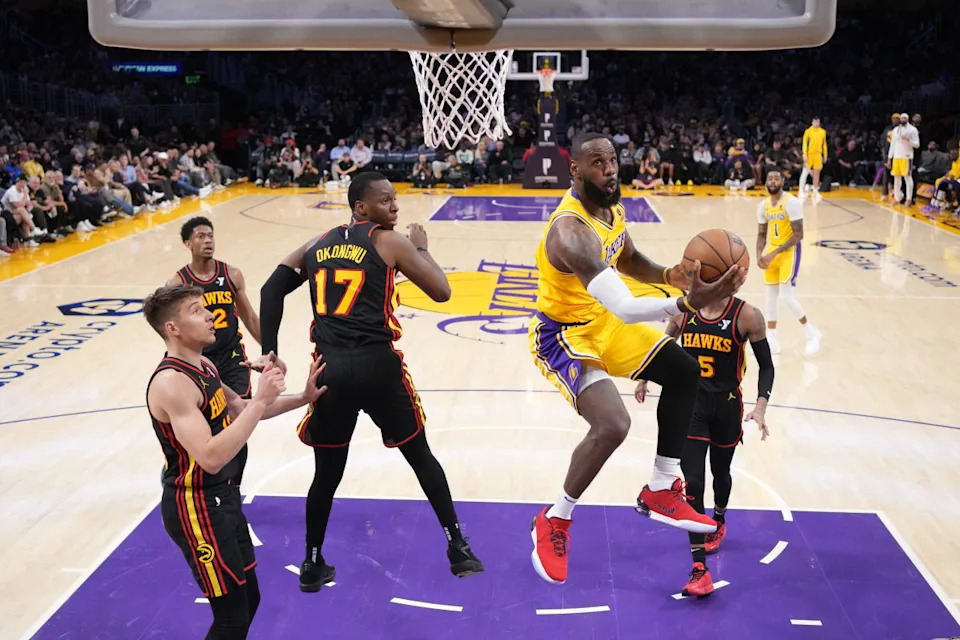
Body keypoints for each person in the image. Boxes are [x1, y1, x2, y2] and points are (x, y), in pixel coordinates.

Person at [527, 132, 746, 585]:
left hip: (602, 322)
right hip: (564, 335)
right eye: (597, 163)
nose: (609, 170)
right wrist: (685, 301)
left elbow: (626, 257)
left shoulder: (612, 208)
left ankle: (662, 486)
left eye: (612, 160)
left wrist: (671, 275)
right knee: (613, 425)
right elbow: (627, 305)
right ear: (575, 170)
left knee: (684, 370)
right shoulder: (571, 232)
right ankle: (556, 519)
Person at [256, 171, 483, 592]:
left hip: (329, 373)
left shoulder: (316, 245)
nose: (394, 207)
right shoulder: (388, 241)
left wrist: (269, 350)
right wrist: (421, 249)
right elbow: (442, 292)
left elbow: (271, 290)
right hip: (378, 368)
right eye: (385, 201)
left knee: (326, 473)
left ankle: (311, 563)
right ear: (361, 207)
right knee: (420, 455)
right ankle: (458, 548)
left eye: (395, 200)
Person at [144, 283, 327, 639]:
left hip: (223, 499)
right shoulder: (171, 384)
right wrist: (260, 400)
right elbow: (211, 456)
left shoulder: (205, 365)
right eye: (196, 310)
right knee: (231, 618)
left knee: (250, 600)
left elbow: (240, 409)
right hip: (195, 508)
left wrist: (303, 397)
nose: (210, 314)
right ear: (173, 329)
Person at [634, 294, 774, 597]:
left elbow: (767, 366)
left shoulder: (747, 315)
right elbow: (660, 349)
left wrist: (760, 406)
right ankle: (700, 569)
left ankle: (719, 519)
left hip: (726, 405)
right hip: (692, 406)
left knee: (720, 473)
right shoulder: (684, 311)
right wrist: (645, 378)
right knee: (693, 481)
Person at [168, 217, 262, 399]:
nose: (208, 241)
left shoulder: (232, 275)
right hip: (199, 358)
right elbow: (172, 329)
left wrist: (270, 349)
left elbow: (249, 317)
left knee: (241, 409)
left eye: (211, 236)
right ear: (188, 244)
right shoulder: (178, 283)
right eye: (201, 236)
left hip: (232, 356)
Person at [756, 170, 821, 355]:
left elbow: (799, 234)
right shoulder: (763, 206)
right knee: (770, 296)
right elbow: (761, 233)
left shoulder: (791, 202)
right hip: (771, 253)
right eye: (769, 178)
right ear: (765, 182)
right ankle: (773, 338)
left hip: (789, 253)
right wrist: (759, 254)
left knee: (786, 296)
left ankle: (811, 332)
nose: (773, 181)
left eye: (776, 178)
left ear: (782, 182)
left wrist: (773, 253)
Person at [888, 112, 920, 206]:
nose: (903, 120)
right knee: (896, 179)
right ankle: (897, 198)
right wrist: (890, 158)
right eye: (901, 118)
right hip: (897, 157)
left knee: (907, 178)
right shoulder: (895, 130)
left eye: (904, 118)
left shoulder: (913, 130)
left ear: (908, 119)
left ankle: (909, 199)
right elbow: (892, 145)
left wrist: (908, 140)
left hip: (907, 157)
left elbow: (917, 144)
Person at [799, 117, 827, 202]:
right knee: (805, 172)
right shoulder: (808, 131)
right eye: (814, 121)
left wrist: (825, 155)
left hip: (818, 155)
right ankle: (801, 190)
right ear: (812, 122)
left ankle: (815, 191)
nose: (816, 123)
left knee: (817, 173)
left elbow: (824, 144)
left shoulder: (823, 132)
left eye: (817, 122)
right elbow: (804, 143)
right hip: (809, 154)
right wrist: (804, 154)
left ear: (819, 122)